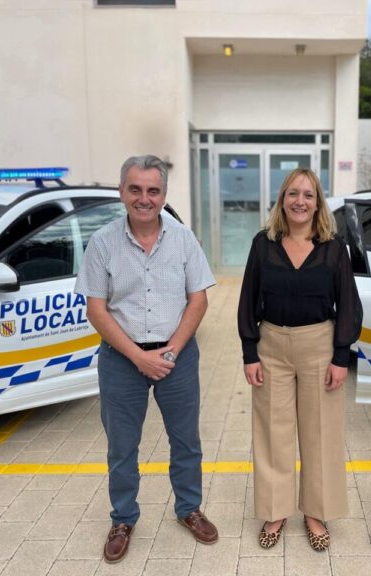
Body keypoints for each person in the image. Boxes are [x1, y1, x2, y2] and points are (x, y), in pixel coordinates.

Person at [75, 154, 218, 564]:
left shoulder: (183, 239)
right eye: (135, 189)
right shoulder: (102, 242)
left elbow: (199, 299)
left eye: (153, 190)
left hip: (177, 356)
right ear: (122, 192)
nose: (144, 198)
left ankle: (189, 509)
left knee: (186, 441)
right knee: (122, 446)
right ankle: (123, 519)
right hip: (122, 359)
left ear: (163, 195)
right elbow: (97, 310)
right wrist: (139, 356)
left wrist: (169, 351)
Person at [237, 168, 363, 552]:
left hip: (319, 346)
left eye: (308, 195)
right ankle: (275, 510)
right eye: (293, 193)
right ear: (282, 199)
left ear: (318, 202)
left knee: (320, 432)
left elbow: (349, 306)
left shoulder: (333, 247)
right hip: (272, 344)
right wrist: (249, 352)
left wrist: (341, 356)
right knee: (273, 433)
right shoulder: (264, 245)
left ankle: (315, 511)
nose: (300, 201)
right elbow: (247, 300)